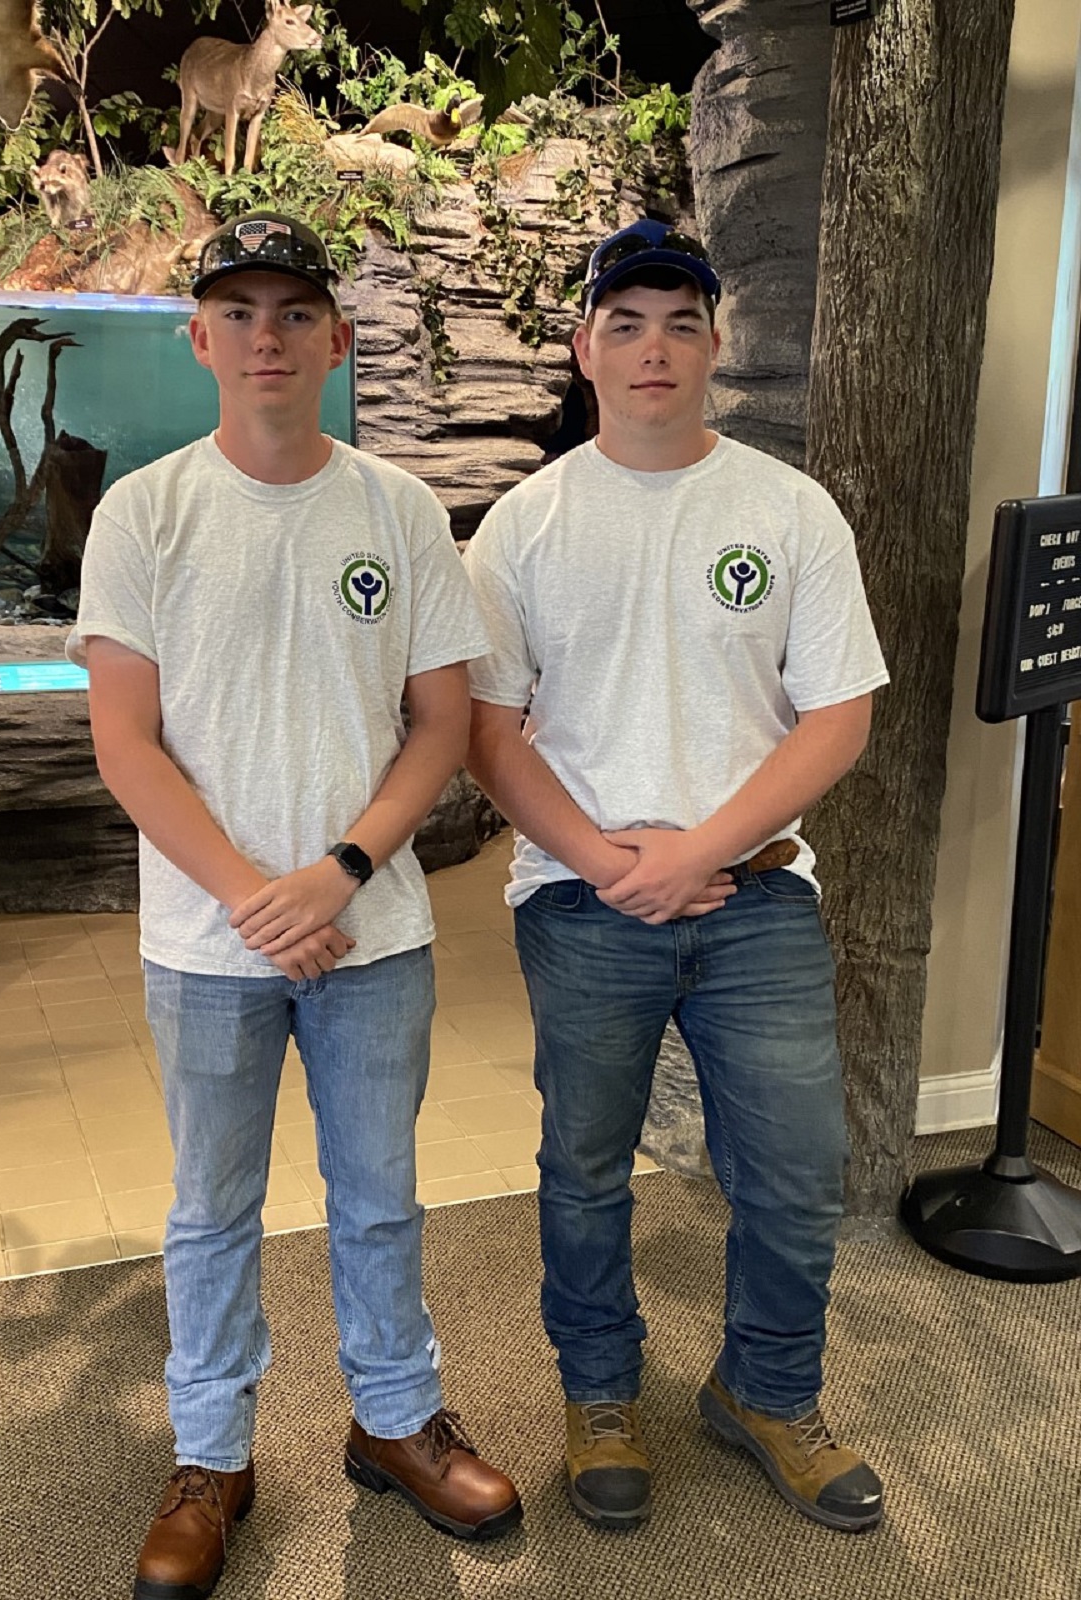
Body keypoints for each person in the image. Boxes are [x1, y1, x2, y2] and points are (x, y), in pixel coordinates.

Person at [68, 211, 521, 1600]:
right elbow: (126, 742)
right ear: (199, 339)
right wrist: (252, 900)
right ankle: (212, 1455)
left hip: (372, 931)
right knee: (212, 1207)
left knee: (379, 1197)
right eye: (239, 312)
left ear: (337, 340)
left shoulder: (398, 511)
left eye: (295, 312)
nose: (267, 336)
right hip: (204, 944)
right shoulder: (144, 512)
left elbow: (442, 724)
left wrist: (339, 873)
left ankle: (395, 1419)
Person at [462, 219, 890, 1536]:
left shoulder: (788, 510)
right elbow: (486, 730)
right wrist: (608, 863)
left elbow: (839, 713)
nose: (655, 349)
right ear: (584, 348)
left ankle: (769, 1391)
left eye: (682, 324)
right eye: (627, 324)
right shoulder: (524, 527)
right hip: (581, 903)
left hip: (757, 895)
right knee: (585, 1167)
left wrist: (695, 855)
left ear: (716, 345)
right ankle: (601, 1396)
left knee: (798, 1170)